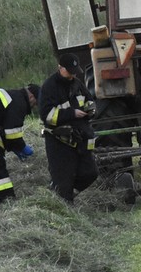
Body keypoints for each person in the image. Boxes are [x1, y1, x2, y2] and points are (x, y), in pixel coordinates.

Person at [39, 53, 99, 203]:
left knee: (90, 172)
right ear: (60, 68)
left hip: (81, 138)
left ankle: (69, 194)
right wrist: (71, 113)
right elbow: (46, 115)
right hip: (60, 142)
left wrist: (90, 110)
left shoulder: (77, 83)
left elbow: (89, 101)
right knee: (63, 180)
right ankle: (64, 202)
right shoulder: (49, 87)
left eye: (74, 71)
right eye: (69, 71)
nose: (72, 75)